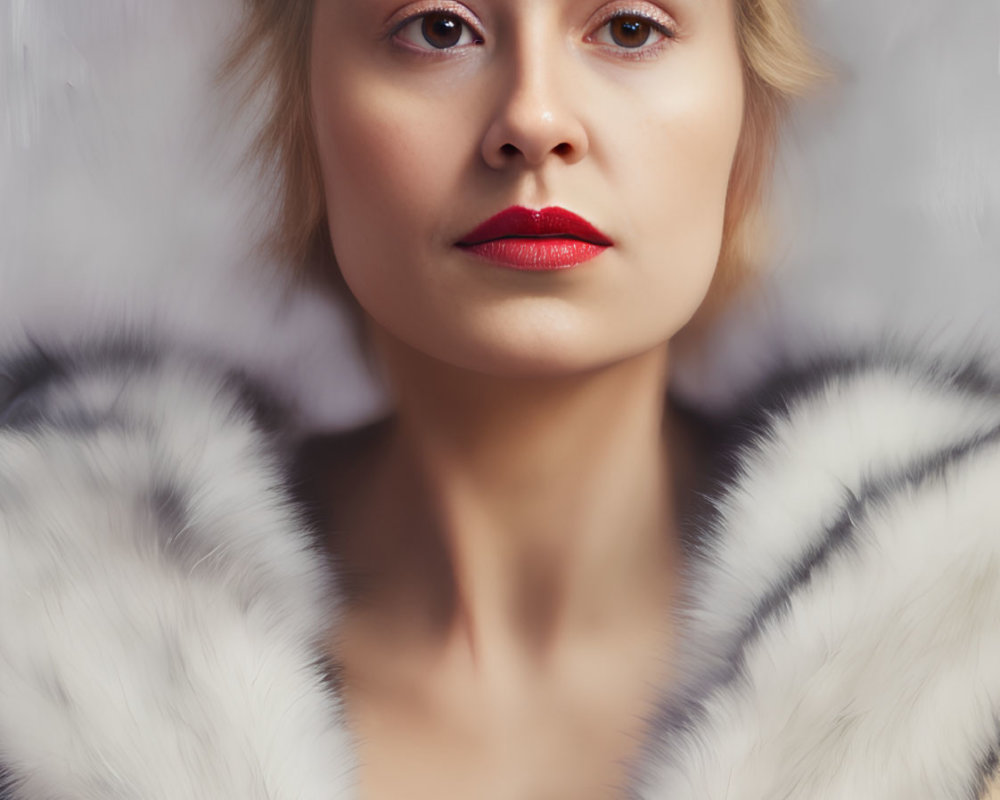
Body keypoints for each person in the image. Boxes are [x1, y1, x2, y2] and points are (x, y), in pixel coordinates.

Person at [1, 1, 999, 799]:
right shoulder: (37, 656)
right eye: (438, 28)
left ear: (747, 120)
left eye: (628, 27)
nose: (533, 118)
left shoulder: (967, 646)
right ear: (309, 112)